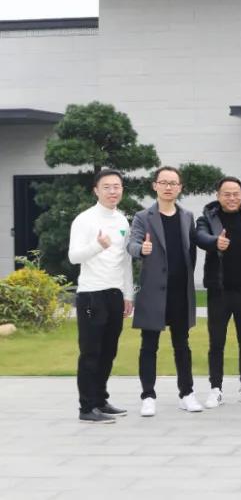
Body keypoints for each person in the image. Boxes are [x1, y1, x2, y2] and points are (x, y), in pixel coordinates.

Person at [126, 166, 201, 416]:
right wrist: (141, 249)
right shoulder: (143, 217)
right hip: (153, 291)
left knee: (182, 344)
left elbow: (191, 251)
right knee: (149, 345)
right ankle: (148, 396)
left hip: (180, 291)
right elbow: (132, 243)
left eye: (173, 183)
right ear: (155, 185)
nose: (168, 187)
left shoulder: (187, 216)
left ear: (180, 188)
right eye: (164, 182)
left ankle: (187, 393)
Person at [194, 176, 241, 408]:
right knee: (217, 342)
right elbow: (200, 237)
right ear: (218, 196)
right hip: (219, 291)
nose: (232, 198)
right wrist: (215, 242)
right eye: (227, 194)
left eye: (236, 193)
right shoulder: (207, 219)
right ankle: (215, 389)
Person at [69, 169, 134, 423]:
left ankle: (100, 400)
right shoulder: (84, 220)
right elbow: (73, 257)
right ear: (96, 190)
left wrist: (128, 294)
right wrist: (98, 245)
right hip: (91, 294)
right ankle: (87, 408)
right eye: (106, 187)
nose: (112, 191)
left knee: (109, 351)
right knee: (91, 352)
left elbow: (126, 261)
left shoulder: (122, 220)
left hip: (115, 293)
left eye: (117, 186)